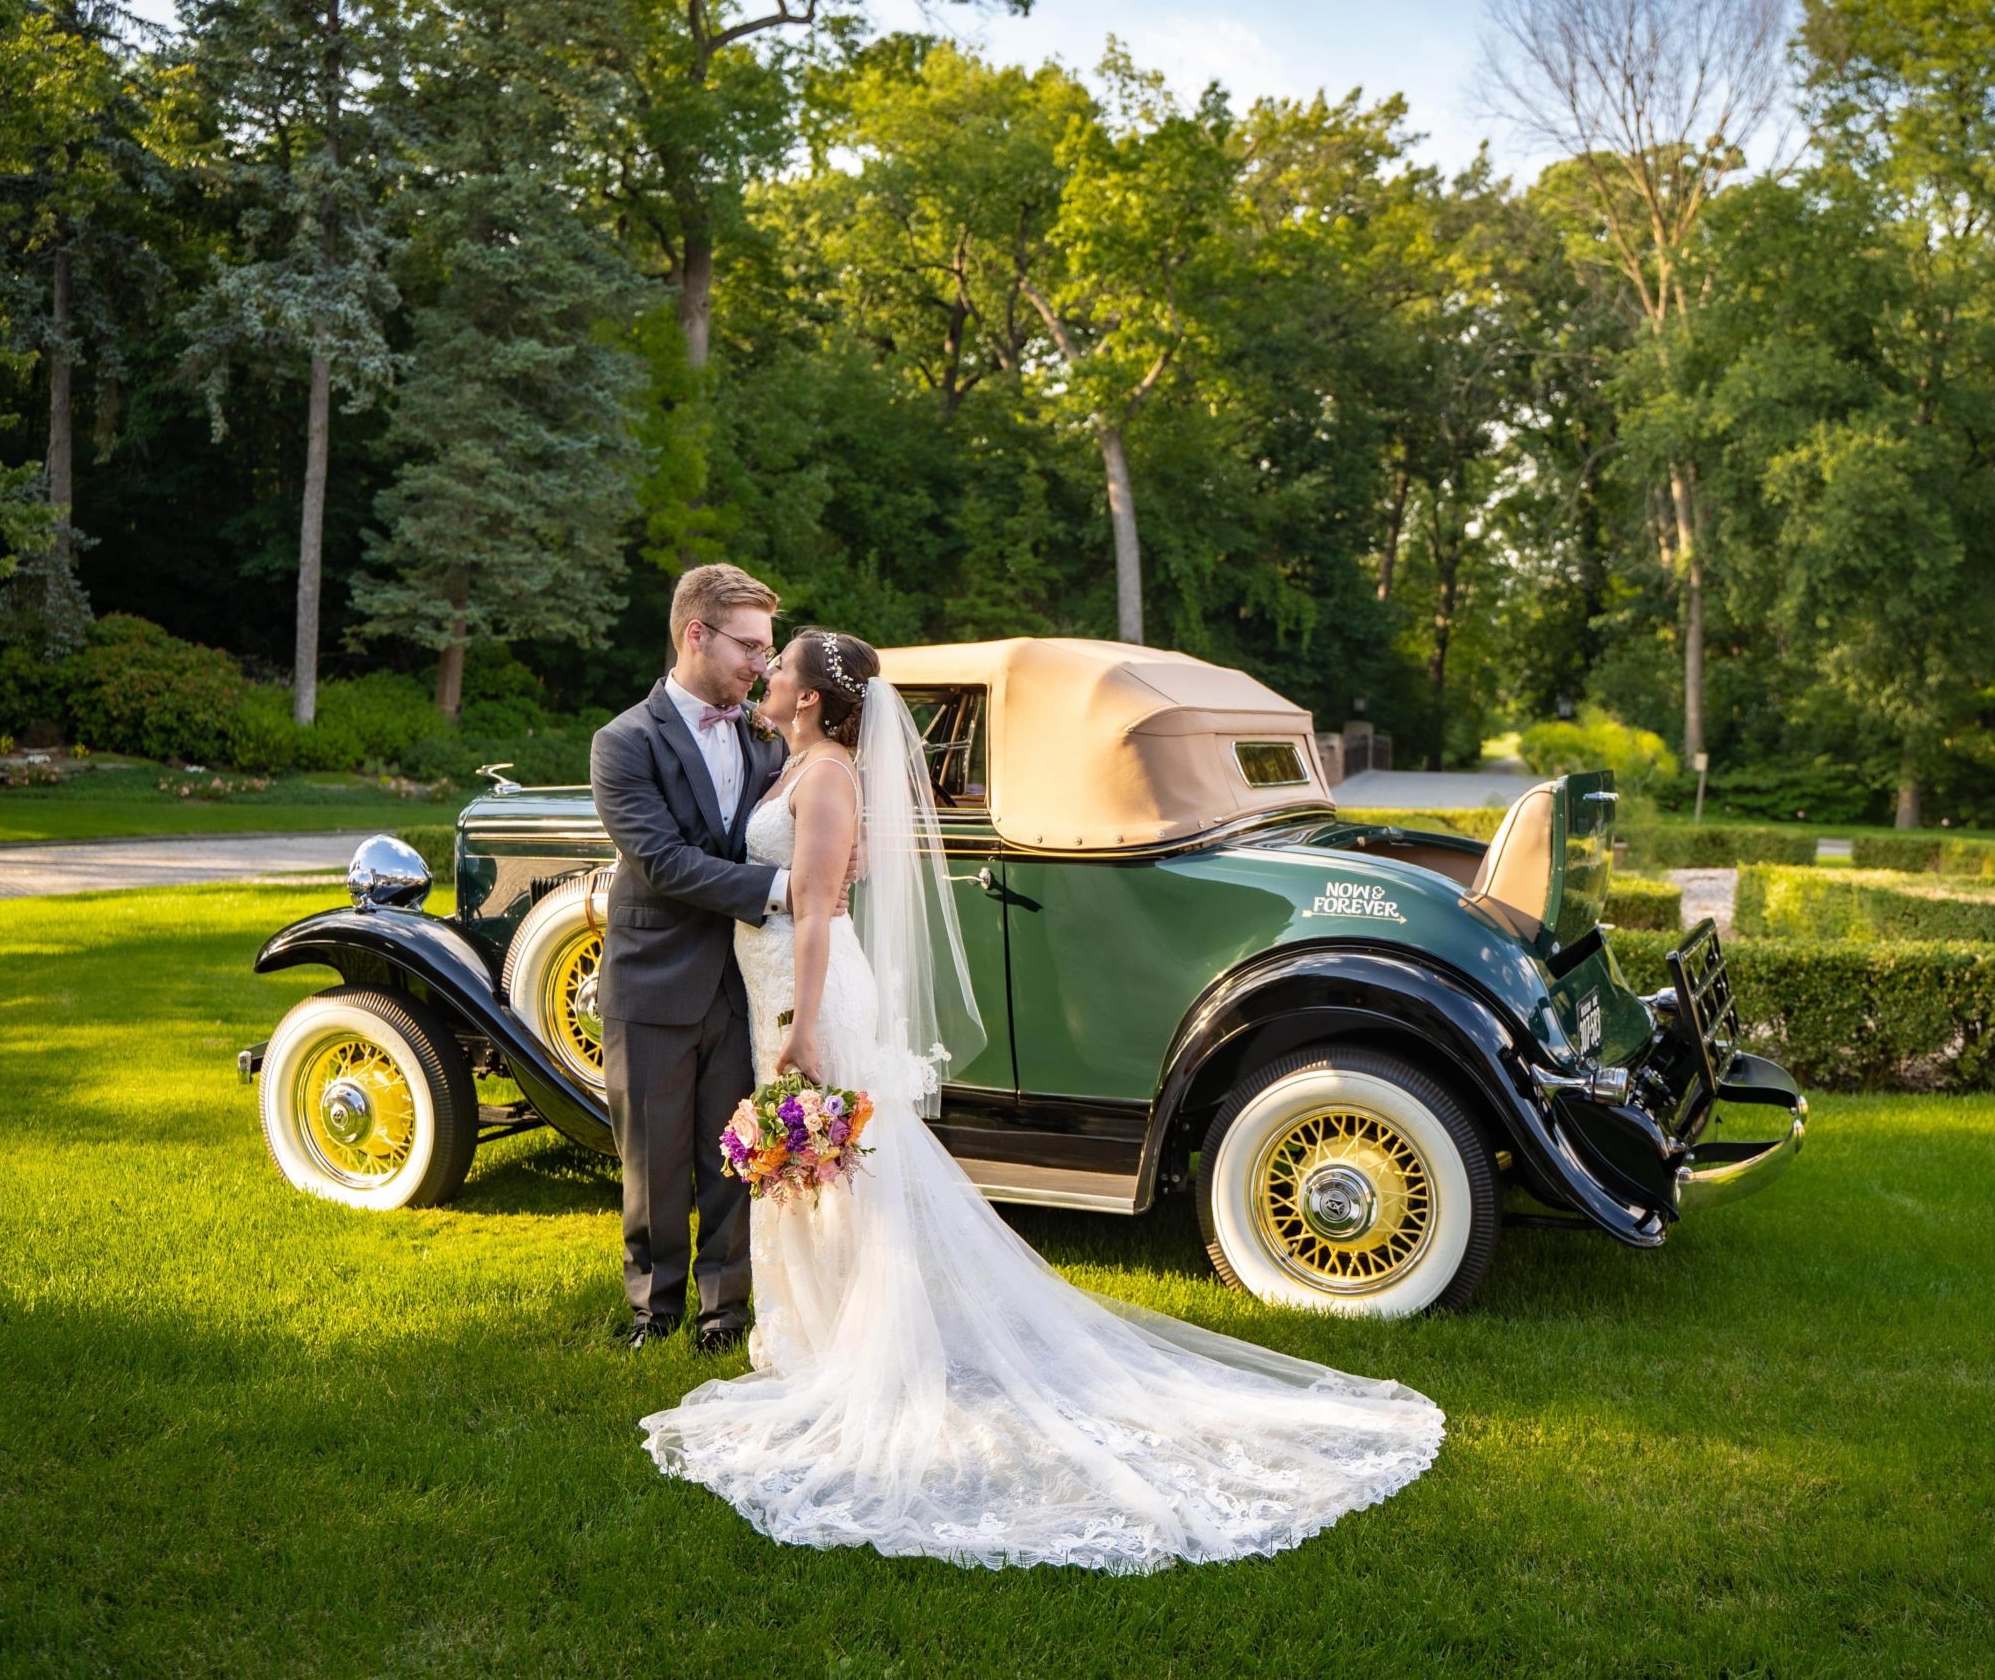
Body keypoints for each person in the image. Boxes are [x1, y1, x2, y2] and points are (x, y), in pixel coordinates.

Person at [638, 627, 1443, 1574]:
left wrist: (802, 1028)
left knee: (849, 1176)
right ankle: (821, 1341)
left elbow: (813, 908)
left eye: (779, 669)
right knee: (832, 1179)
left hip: (806, 994)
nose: (766, 675)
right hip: (784, 982)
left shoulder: (822, 779)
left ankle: (866, 1356)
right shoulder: (799, 761)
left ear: (812, 699)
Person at [588, 564, 792, 1354]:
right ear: (694, 634)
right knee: (654, 1160)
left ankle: (724, 1312)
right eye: (748, 646)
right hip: (653, 981)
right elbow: (662, 860)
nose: (761, 665)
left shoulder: (761, 730)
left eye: (768, 650)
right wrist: (780, 888)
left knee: (734, 1155)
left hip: (742, 981)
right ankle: (654, 1308)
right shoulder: (622, 742)